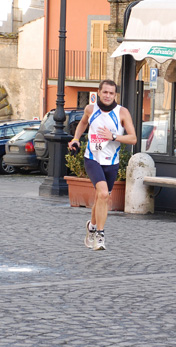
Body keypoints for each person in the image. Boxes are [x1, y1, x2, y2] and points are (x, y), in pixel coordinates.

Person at [68, 79, 137, 250]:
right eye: (105, 92)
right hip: (92, 158)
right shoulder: (90, 109)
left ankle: (91, 226)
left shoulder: (122, 113)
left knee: (101, 197)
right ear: (99, 92)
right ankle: (100, 235)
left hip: (111, 162)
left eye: (111, 93)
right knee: (104, 194)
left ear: (115, 95)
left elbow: (133, 138)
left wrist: (113, 137)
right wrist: (76, 139)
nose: (107, 96)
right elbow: (83, 123)